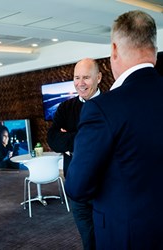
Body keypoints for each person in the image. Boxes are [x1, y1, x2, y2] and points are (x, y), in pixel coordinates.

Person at [65, 10, 163, 250]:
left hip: (128, 234)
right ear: (153, 49)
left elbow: (77, 186)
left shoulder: (103, 108)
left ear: (115, 50)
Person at [47, 58, 102, 250]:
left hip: (105, 187)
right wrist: (84, 140)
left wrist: (69, 140)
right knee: (88, 240)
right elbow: (53, 140)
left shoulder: (110, 104)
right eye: (77, 77)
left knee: (110, 237)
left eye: (86, 77)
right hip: (76, 186)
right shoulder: (65, 108)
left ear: (99, 78)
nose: (80, 83)